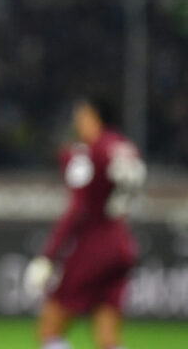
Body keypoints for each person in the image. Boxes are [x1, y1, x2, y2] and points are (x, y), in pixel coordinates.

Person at [24, 96, 146, 349]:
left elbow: (78, 209)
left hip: (95, 245)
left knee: (50, 326)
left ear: (94, 116)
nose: (78, 122)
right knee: (107, 336)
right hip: (122, 243)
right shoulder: (124, 146)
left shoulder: (89, 151)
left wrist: (49, 255)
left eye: (82, 115)